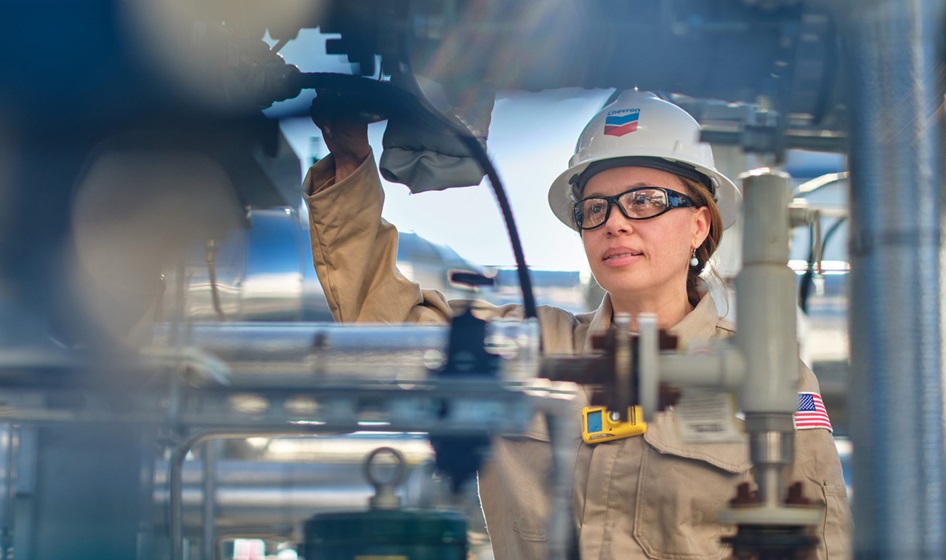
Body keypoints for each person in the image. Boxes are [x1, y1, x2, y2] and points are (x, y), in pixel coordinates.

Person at [302, 89, 851, 559]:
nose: (615, 222)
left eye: (644, 201)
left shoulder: (768, 378)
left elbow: (818, 542)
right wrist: (351, 165)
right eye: (596, 208)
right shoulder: (526, 350)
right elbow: (385, 320)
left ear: (698, 224)